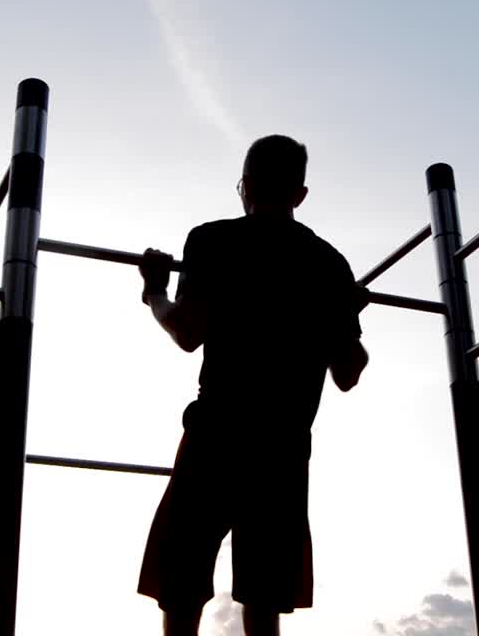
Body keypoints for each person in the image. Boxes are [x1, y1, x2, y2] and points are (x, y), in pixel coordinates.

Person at [135, 134, 371, 636]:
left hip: (218, 432)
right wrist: (341, 312)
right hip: (283, 447)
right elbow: (348, 374)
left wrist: (154, 290)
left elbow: (186, 333)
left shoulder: (213, 240)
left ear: (244, 186)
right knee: (264, 599)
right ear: (300, 194)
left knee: (180, 584)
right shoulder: (328, 264)